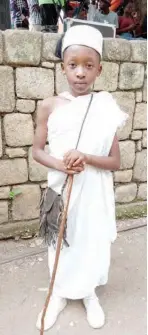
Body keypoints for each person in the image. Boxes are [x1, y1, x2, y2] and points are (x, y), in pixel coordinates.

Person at [33, 25, 128, 331]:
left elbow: (114, 162)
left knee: (90, 243)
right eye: (73, 65)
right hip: (62, 191)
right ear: (63, 67)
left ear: (99, 70)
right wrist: (62, 165)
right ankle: (59, 294)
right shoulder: (49, 106)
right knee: (61, 244)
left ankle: (88, 295)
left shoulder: (105, 107)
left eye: (89, 66)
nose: (80, 73)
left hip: (94, 194)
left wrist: (86, 157)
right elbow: (37, 151)